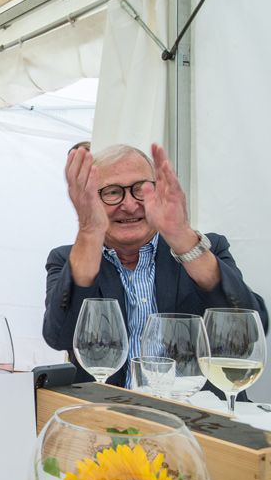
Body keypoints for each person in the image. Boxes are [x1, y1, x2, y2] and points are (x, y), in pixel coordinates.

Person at [43, 143, 267, 389]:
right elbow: (59, 336)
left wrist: (182, 238)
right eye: (112, 192)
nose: (129, 205)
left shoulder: (205, 250)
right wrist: (89, 231)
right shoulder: (68, 259)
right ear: (91, 200)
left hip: (198, 415)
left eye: (141, 190)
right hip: (109, 416)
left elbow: (250, 336)